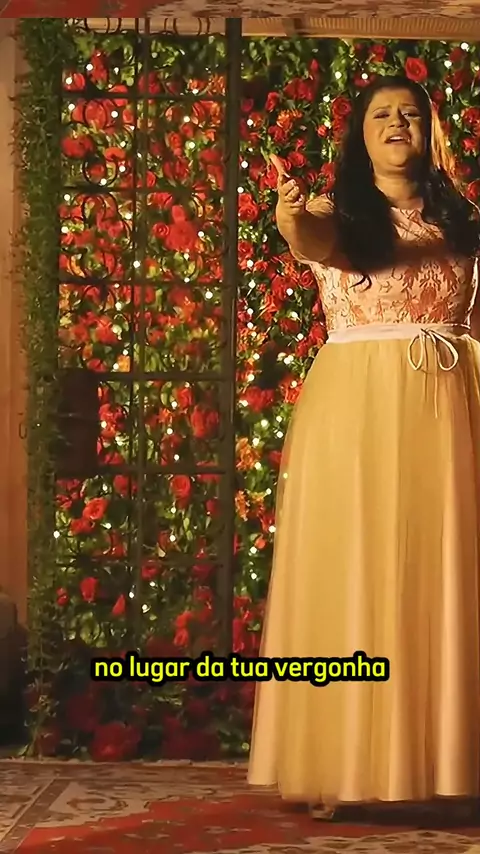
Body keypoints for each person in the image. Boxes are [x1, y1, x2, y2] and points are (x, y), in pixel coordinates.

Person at [247, 75, 480, 821]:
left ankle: (450, 764)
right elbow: (311, 243)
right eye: (382, 113)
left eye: (411, 112)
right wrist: (290, 218)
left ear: (431, 131)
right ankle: (352, 765)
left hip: (452, 405)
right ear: (361, 134)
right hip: (359, 409)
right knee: (360, 569)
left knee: (447, 574)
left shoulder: (465, 218)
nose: (398, 122)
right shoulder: (335, 214)